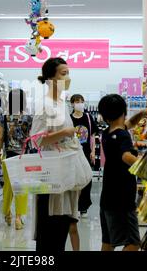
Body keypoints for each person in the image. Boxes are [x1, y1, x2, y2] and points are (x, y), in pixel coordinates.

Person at [30, 57, 88, 252]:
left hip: (66, 174)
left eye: (68, 73)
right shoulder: (44, 104)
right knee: (50, 232)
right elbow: (36, 140)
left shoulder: (62, 103)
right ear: (50, 79)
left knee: (63, 227)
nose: (68, 77)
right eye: (64, 74)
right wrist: (64, 133)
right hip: (51, 175)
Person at [97, 94, 147, 251]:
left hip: (107, 197)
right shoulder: (123, 136)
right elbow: (126, 157)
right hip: (122, 199)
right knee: (133, 243)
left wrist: (142, 114)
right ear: (123, 111)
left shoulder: (108, 133)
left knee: (108, 241)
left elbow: (128, 124)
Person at [0, 89, 31, 230]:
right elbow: (32, 137)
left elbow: (1, 137)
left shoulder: (4, 116)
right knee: (22, 187)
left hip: (10, 156)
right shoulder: (27, 117)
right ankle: (18, 217)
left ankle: (8, 212)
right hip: (24, 156)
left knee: (9, 186)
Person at [67, 94, 98, 251]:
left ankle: (84, 206)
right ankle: (75, 208)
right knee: (74, 179)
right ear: (72, 104)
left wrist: (93, 151)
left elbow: (92, 135)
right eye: (76, 101)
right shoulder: (69, 118)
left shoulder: (88, 117)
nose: (79, 104)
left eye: (81, 101)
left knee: (86, 178)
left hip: (85, 152)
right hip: (72, 153)